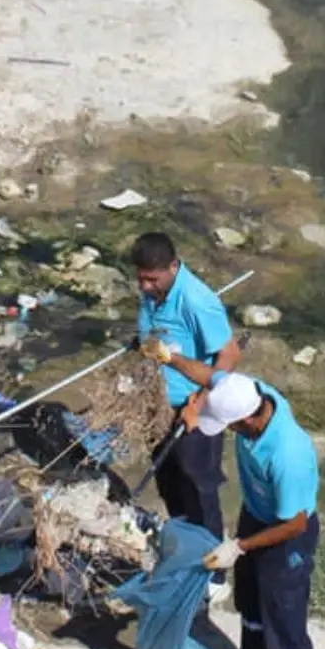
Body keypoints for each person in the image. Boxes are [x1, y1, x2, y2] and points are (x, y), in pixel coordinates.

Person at [187, 372, 325, 649]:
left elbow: (295, 524)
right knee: (249, 602)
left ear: (248, 421)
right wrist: (170, 357)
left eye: (229, 426)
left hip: (286, 539)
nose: (228, 431)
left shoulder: (287, 453)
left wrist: (239, 546)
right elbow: (208, 372)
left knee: (285, 630)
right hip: (259, 516)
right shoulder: (252, 392)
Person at [132, 231, 242, 572]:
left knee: (198, 485)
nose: (146, 287)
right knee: (167, 477)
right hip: (157, 402)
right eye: (141, 279)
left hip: (192, 408)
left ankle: (213, 567)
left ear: (173, 267)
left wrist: (200, 401)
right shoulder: (152, 293)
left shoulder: (197, 301)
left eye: (152, 279)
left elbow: (229, 353)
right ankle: (183, 545)